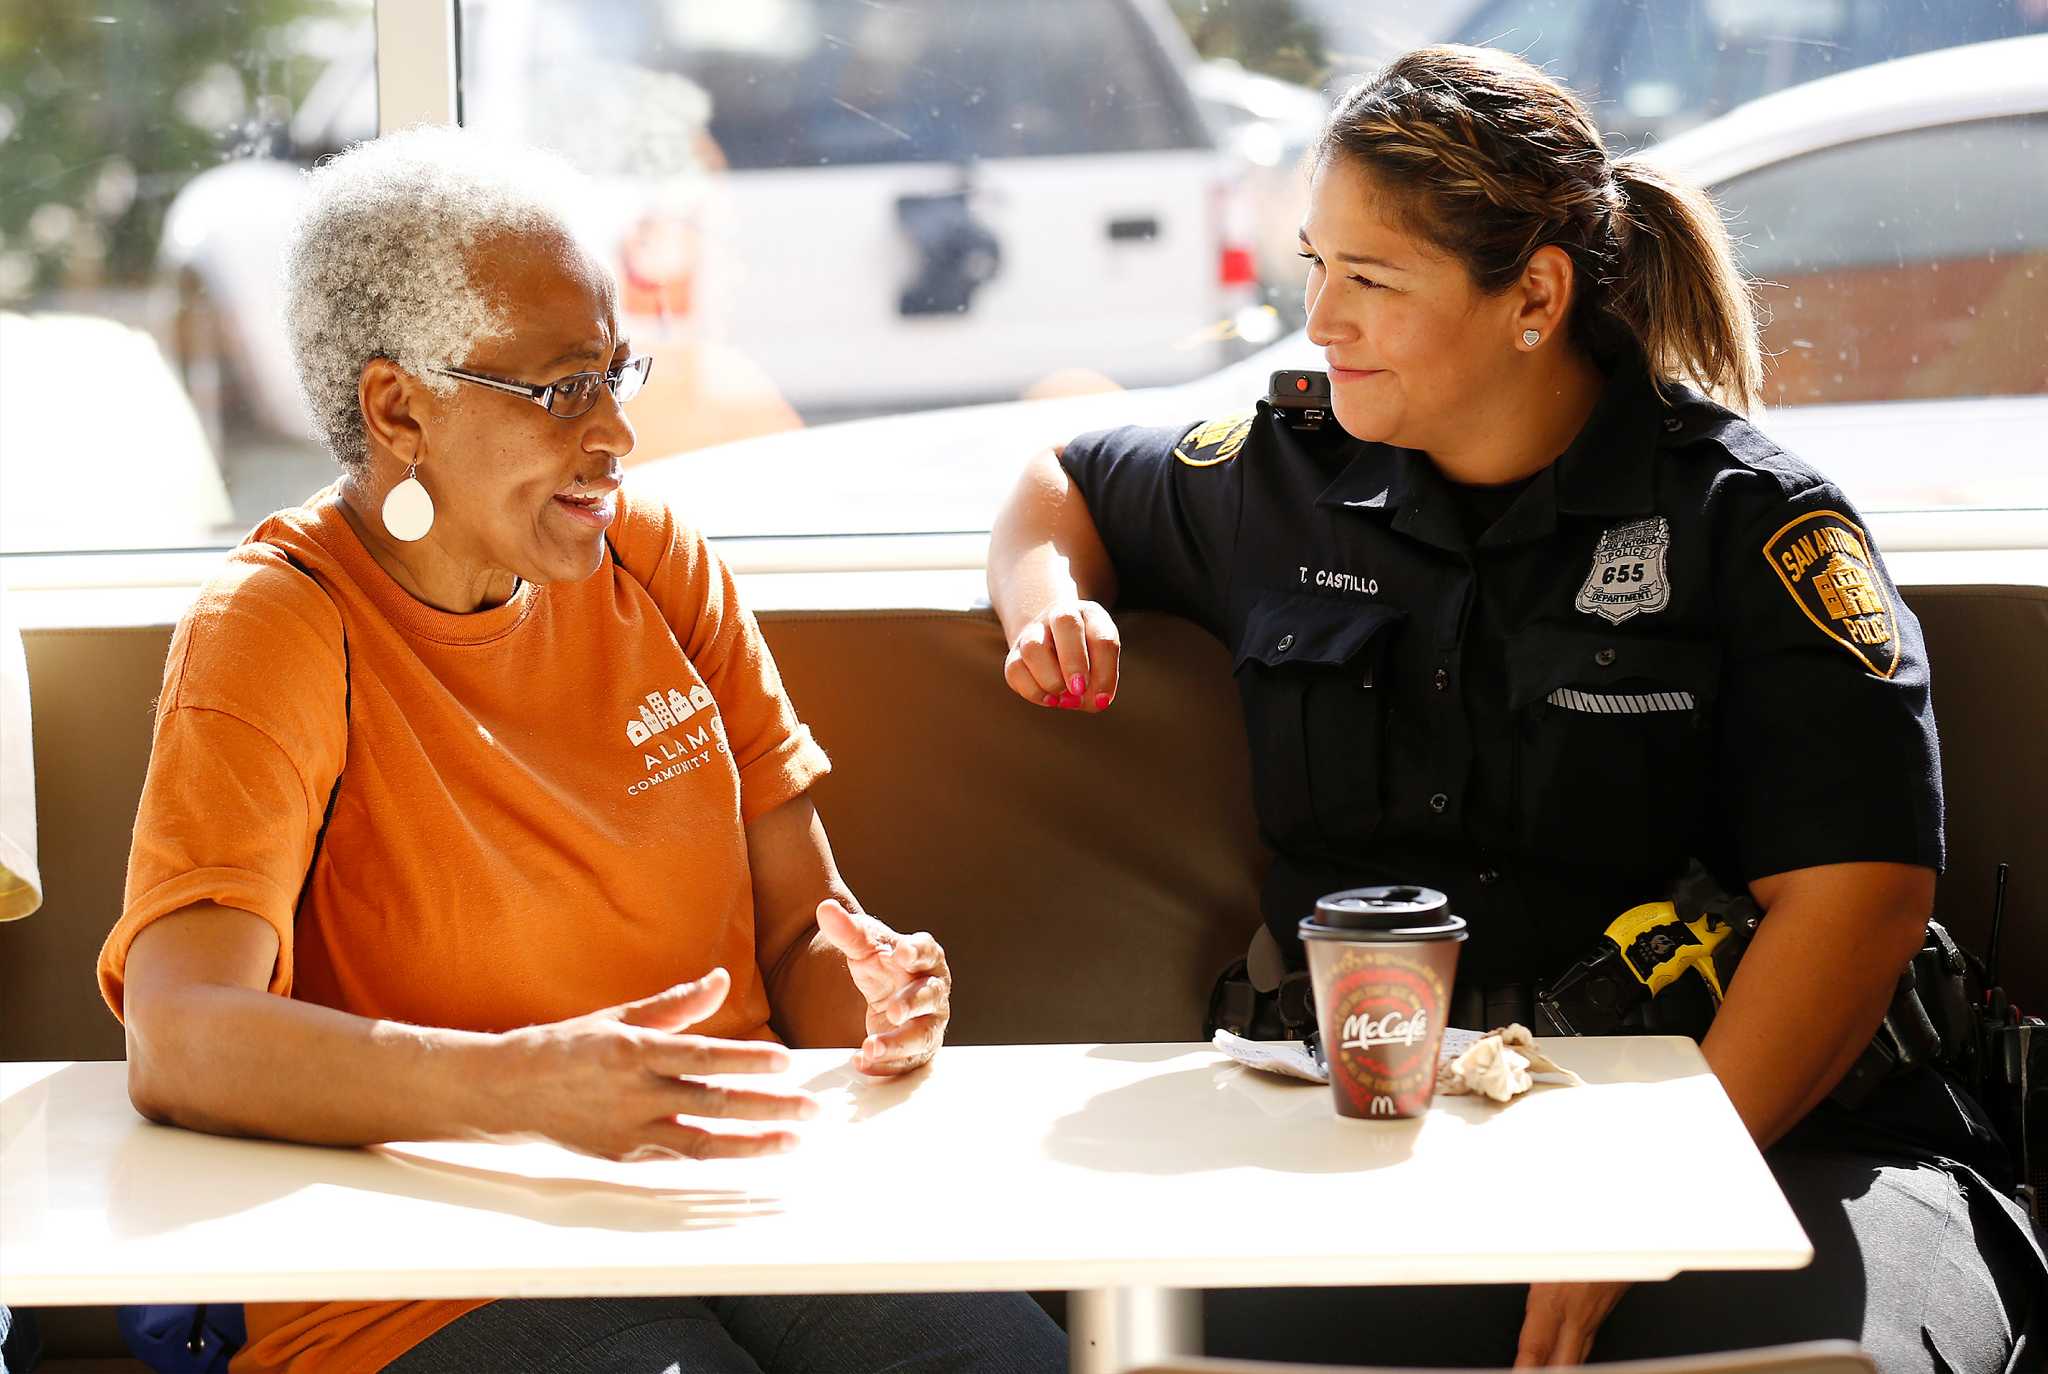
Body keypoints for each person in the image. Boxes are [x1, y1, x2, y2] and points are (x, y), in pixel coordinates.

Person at [986, 44, 2041, 1372]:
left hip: (1759, 1118)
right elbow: (1062, 477)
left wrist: (1645, 1204)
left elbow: (1861, 896)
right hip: (1387, 1117)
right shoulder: (1283, 477)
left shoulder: (1751, 527)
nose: (1321, 319)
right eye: (1313, 264)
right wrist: (1046, 599)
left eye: (1369, 278)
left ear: (1534, 295)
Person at [97, 126, 1064, 1374]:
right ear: (400, 408)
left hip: (734, 1196)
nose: (614, 432)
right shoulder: (279, 624)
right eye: (560, 389)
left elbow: (795, 934)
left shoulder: (657, 559)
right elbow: (180, 1037)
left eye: (617, 373)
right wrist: (518, 1086)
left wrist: (875, 998)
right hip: (421, 1261)